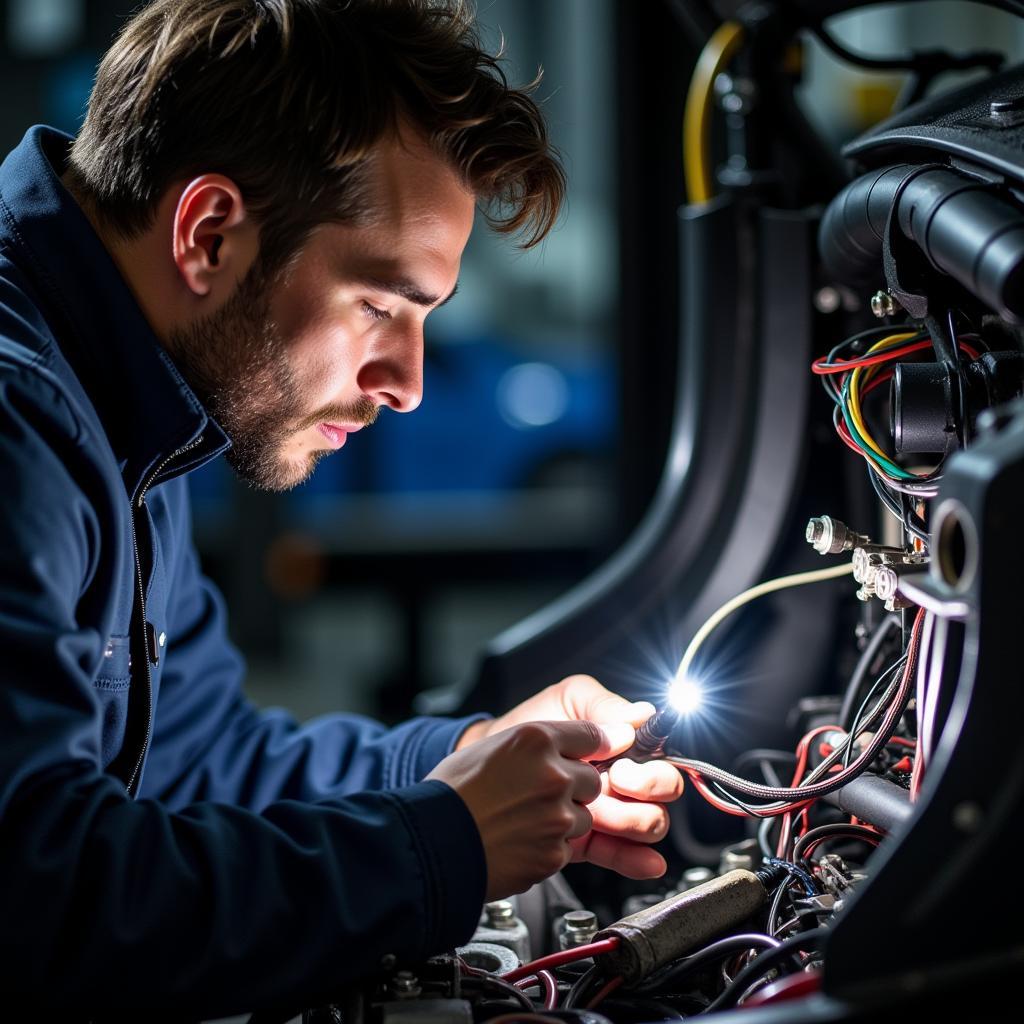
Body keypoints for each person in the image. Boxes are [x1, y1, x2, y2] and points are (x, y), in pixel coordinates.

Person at [0, 0, 683, 1016]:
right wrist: (440, 842)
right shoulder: (18, 425)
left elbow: (197, 763)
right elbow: (36, 903)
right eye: (379, 304)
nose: (405, 380)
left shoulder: (128, 407)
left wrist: (465, 764)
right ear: (210, 232)